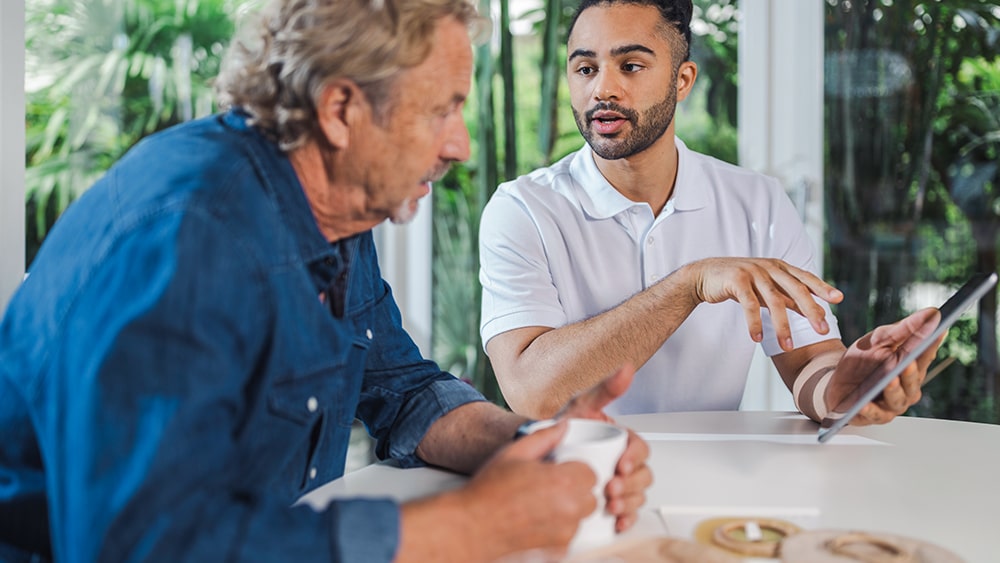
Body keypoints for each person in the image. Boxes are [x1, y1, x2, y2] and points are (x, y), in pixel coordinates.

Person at [0, 0, 653, 560]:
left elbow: (404, 390)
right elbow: (145, 545)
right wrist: (472, 522)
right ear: (341, 109)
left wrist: (539, 446)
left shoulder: (330, 208)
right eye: (441, 111)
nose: (461, 145)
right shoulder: (188, 237)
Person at [479, 0, 944, 422]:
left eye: (631, 65)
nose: (604, 88)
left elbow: (809, 364)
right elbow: (531, 391)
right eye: (585, 69)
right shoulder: (523, 210)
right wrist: (690, 284)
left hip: (715, 477)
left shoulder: (757, 202)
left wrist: (848, 389)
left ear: (682, 81)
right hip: (575, 477)